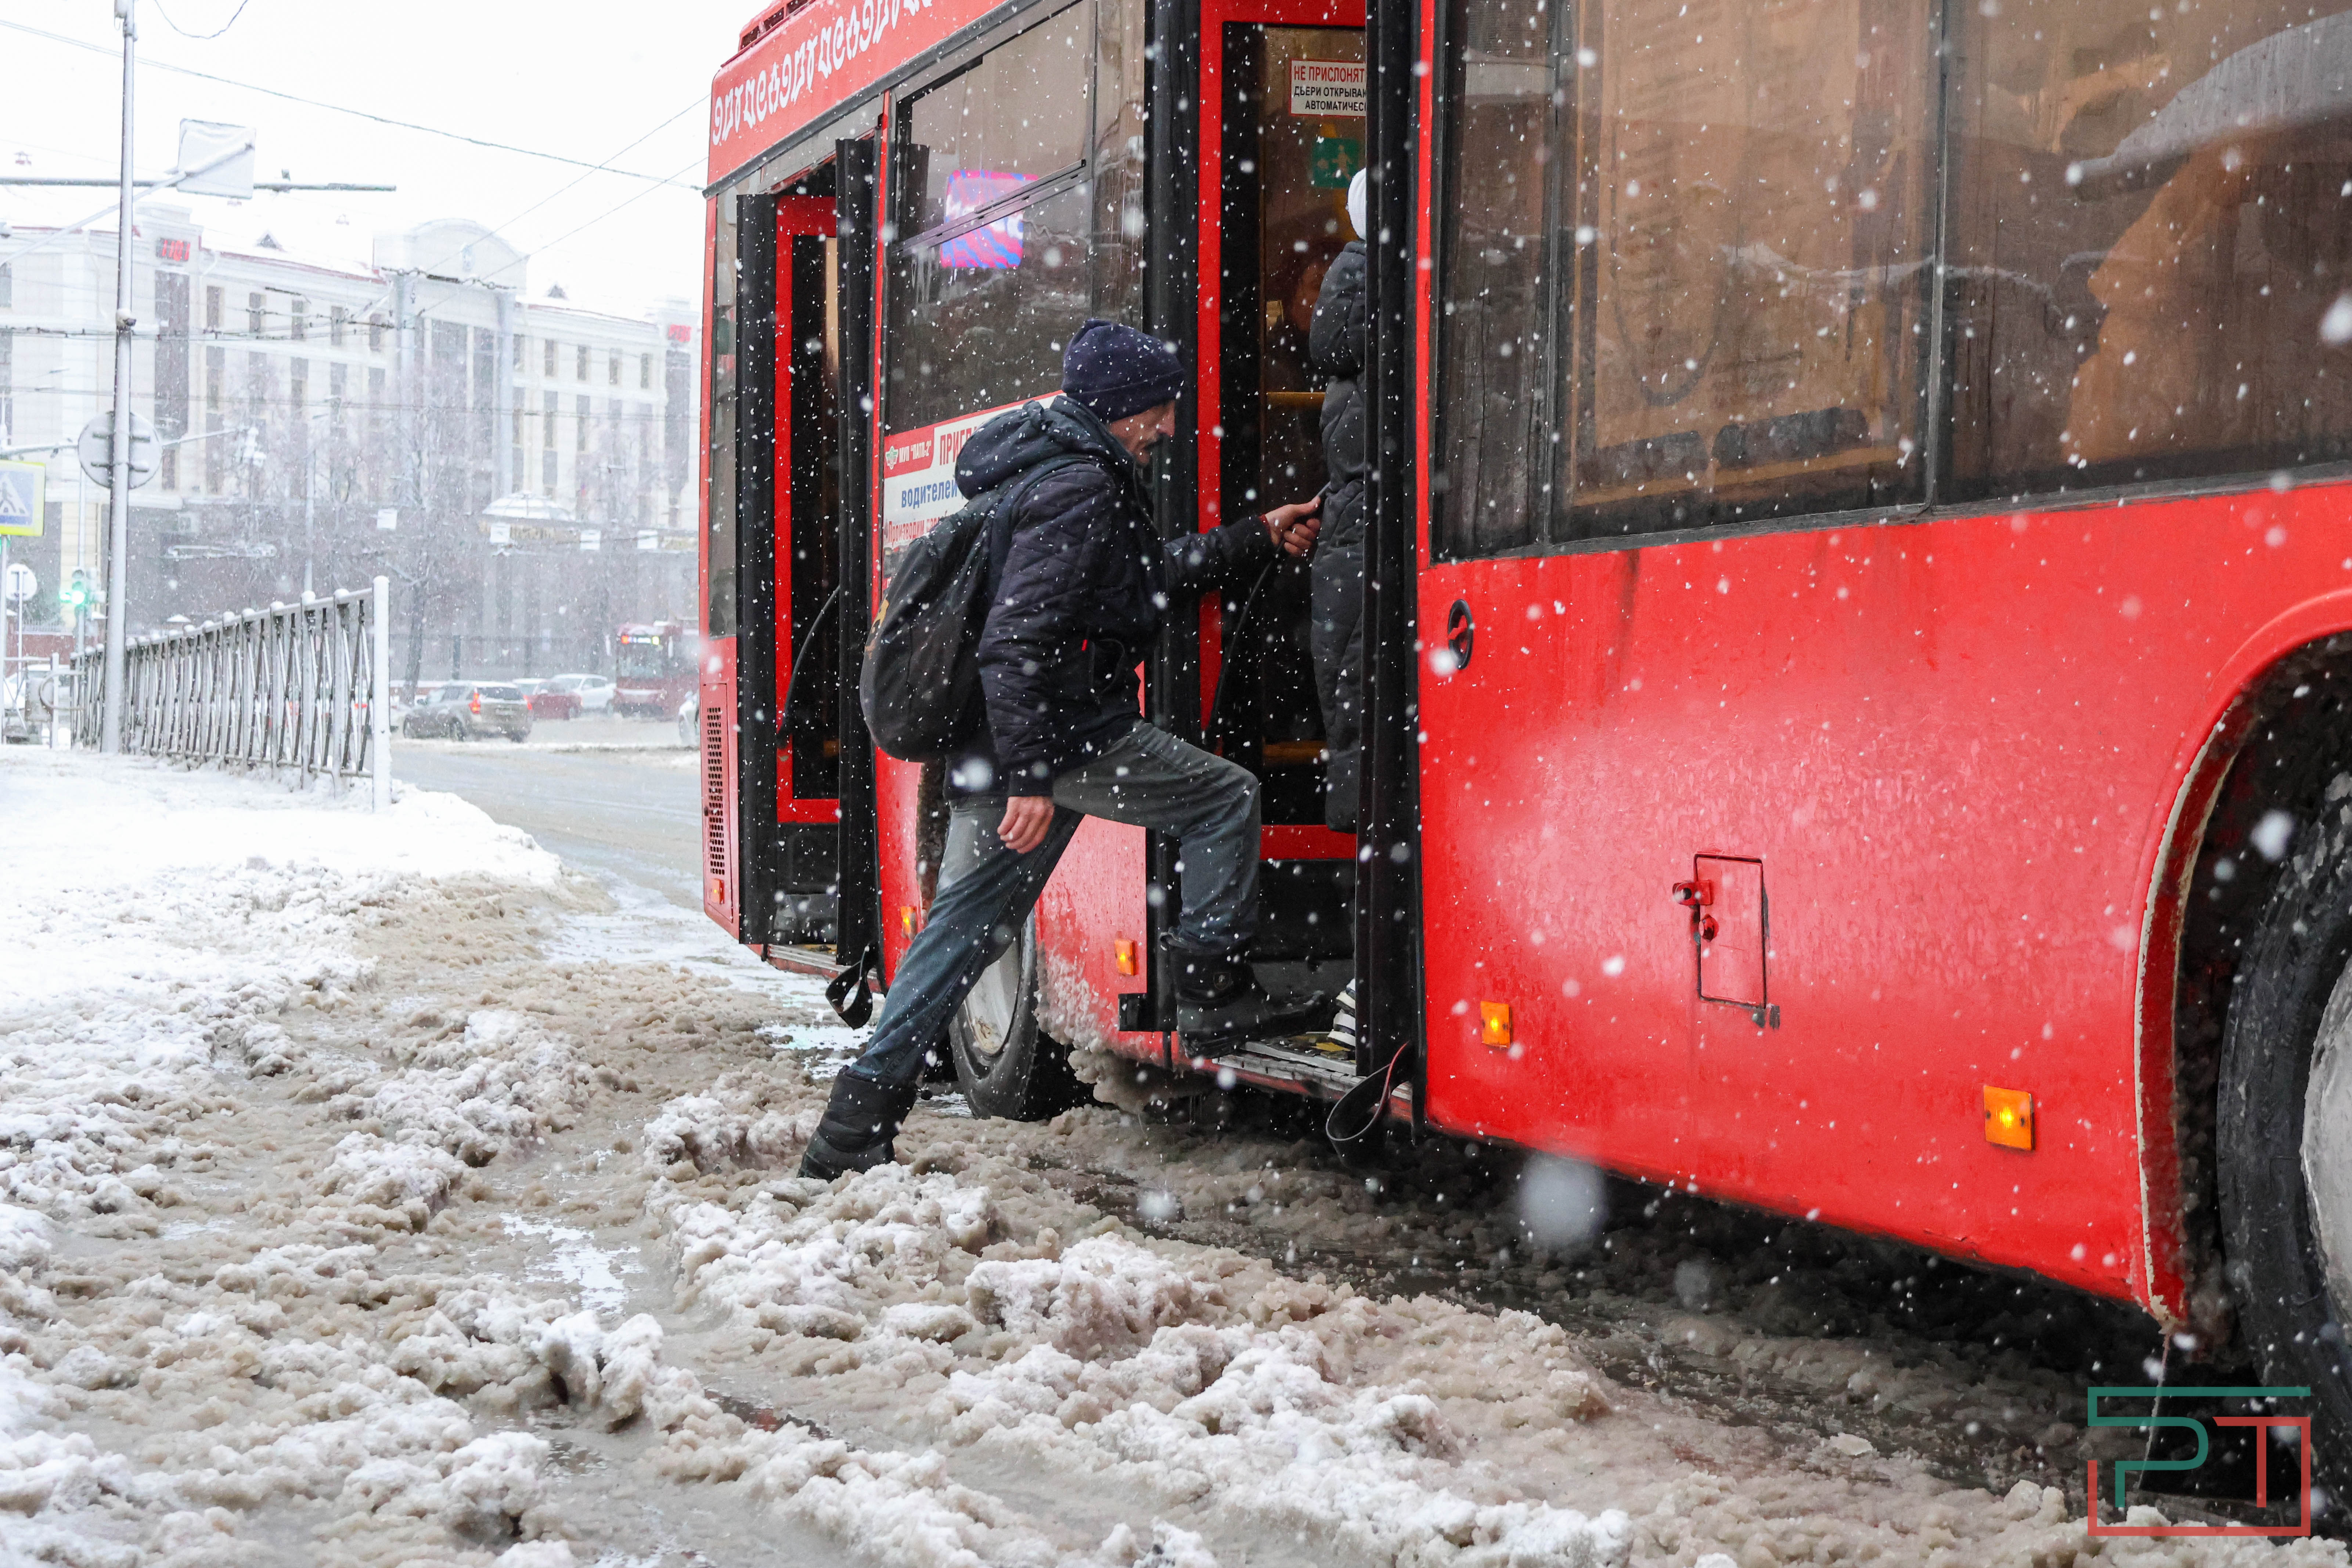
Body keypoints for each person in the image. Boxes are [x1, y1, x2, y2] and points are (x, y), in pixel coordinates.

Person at [800, 319, 1327, 1180]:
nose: (1165, 426)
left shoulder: (1056, 471)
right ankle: (1213, 992)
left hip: (1002, 740)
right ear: (1122, 408)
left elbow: (1142, 579)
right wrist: (1034, 776)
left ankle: (853, 1122)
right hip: (1058, 737)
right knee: (1224, 798)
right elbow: (1018, 641)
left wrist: (1253, 536)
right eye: (1157, 410)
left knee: (963, 931)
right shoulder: (1081, 485)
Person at [1310, 171, 1371, 1046]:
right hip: (1365, 568)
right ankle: (1370, 976)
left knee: (1366, 756)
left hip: (1346, 563)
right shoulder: (1387, 312)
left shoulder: (1347, 336)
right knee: (1379, 762)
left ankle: (1368, 969)